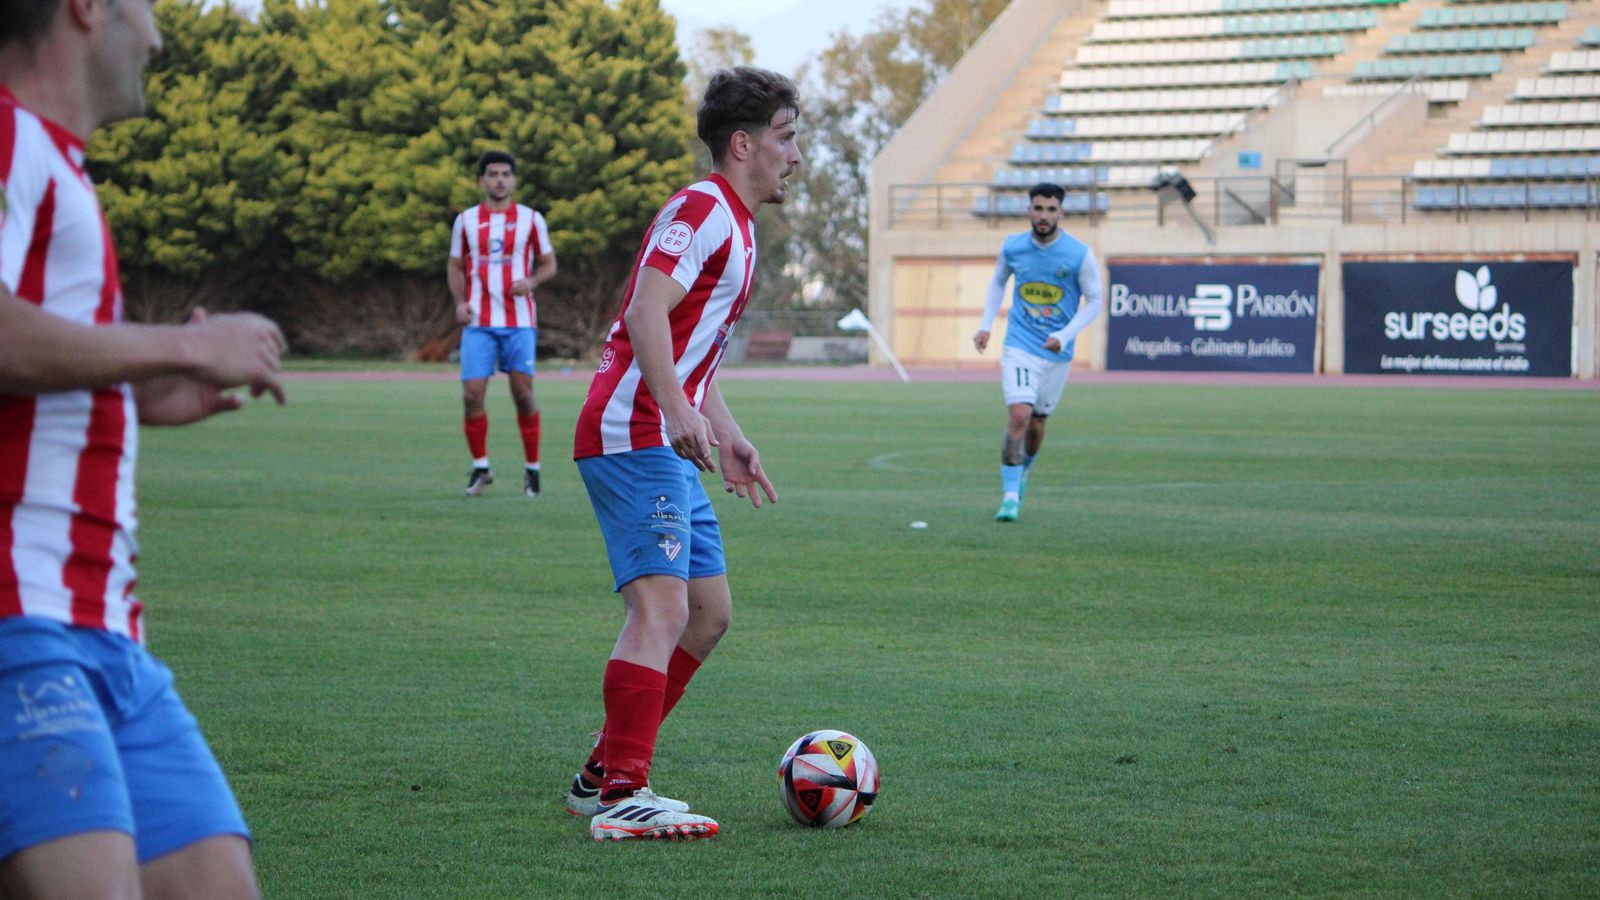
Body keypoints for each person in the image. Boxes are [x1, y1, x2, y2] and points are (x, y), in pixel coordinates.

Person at [0, 1, 287, 896]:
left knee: (219, 883)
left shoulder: (59, 166)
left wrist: (138, 385)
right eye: (151, 7)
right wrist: (184, 344)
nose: (159, 37)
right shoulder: (6, 136)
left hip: (107, 629)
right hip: (18, 614)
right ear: (86, 8)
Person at [564, 66, 799, 842]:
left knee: (708, 615)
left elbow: (691, 348)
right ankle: (624, 794)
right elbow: (644, 314)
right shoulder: (702, 209)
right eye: (786, 137)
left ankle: (603, 769)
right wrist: (674, 411)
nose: (796, 155)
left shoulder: (738, 226)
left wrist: (725, 433)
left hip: (660, 434)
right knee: (661, 609)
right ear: (744, 144)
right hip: (632, 432)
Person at [972, 182, 1104, 523]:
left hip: (1057, 352)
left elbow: (1095, 300)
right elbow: (998, 281)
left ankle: (1023, 472)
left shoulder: (1078, 254)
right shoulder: (1013, 247)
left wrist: (1064, 334)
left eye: (1051, 209)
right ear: (1029, 210)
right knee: (1019, 416)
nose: (1044, 215)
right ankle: (1009, 497)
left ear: (1061, 212)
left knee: (1037, 425)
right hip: (1020, 344)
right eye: (1038, 208)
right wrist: (986, 325)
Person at [447, 150, 557, 497]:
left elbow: (549, 263)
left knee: (523, 394)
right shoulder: (465, 220)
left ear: (513, 180)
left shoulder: (531, 219)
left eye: (505, 174)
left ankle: (532, 469)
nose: (499, 180)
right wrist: (460, 302)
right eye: (493, 174)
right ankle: (481, 468)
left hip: (519, 321)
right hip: (479, 321)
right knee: (471, 395)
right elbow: (454, 266)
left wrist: (532, 281)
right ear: (482, 180)